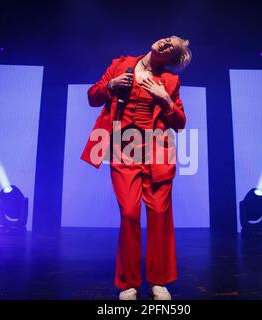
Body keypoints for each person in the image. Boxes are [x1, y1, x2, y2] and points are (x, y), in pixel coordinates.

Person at [81, 36, 192, 300]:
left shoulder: (170, 82)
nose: (164, 44)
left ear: (170, 61)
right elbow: (93, 97)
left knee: (158, 216)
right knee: (130, 213)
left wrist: (165, 100)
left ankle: (158, 281)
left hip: (157, 153)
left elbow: (180, 122)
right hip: (124, 150)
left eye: (171, 48)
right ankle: (129, 282)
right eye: (166, 39)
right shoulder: (120, 65)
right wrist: (111, 85)